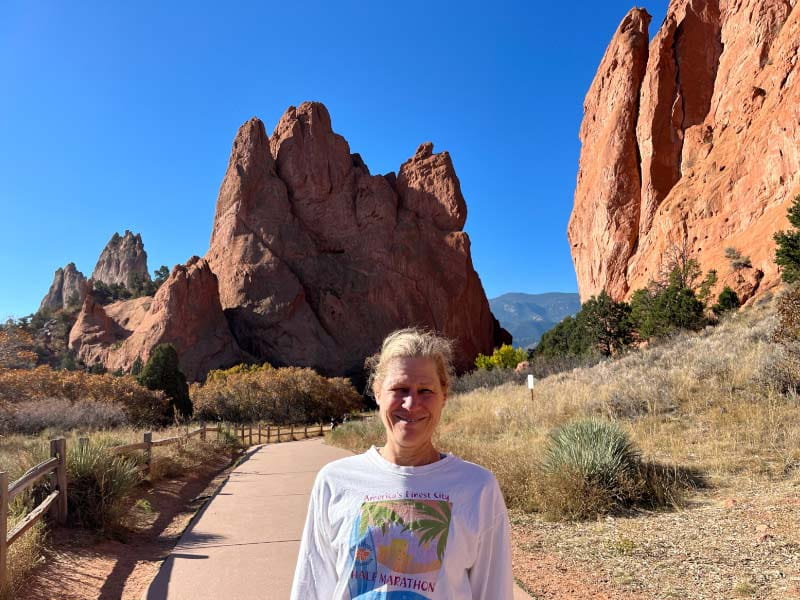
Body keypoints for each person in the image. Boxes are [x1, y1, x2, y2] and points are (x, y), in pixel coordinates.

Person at [290, 328, 514, 599]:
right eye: (399, 389)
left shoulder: (477, 487)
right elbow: (313, 586)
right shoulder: (335, 481)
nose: (411, 403)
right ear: (377, 393)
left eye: (425, 390)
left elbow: (494, 591)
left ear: (444, 395)